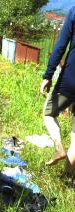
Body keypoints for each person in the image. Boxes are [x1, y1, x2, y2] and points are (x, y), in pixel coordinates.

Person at [40, 6, 75, 177]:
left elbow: (61, 45)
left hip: (71, 78)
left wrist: (48, 75)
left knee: (49, 112)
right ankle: (67, 176)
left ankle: (59, 148)